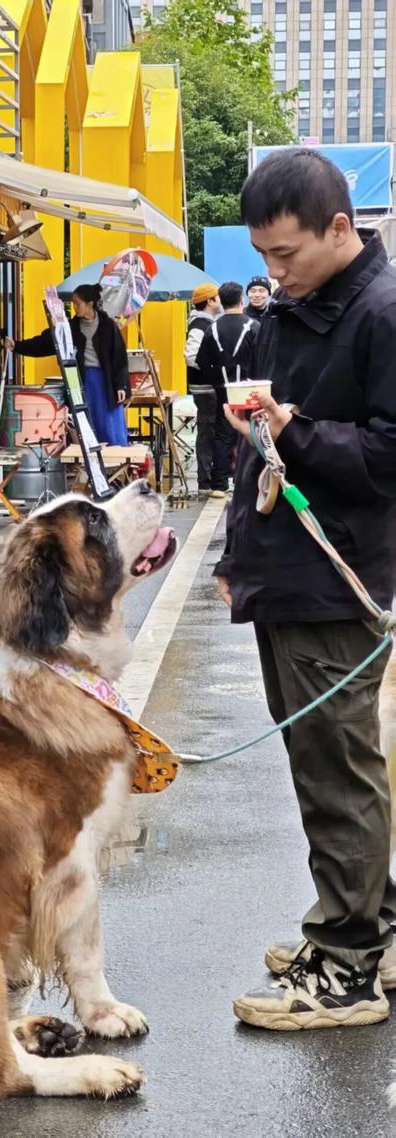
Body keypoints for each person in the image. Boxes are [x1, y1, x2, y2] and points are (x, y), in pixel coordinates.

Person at [215, 148, 396, 1030]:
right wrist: (231, 553)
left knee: (337, 768)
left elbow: (390, 458)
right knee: (324, 760)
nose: (271, 274)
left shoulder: (383, 314)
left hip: (338, 573)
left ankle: (348, 964)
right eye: (262, 258)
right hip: (285, 566)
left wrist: (298, 431)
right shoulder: (294, 308)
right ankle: (371, 929)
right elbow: (267, 440)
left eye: (284, 255)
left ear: (338, 228)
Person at [5, 284, 130, 445]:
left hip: (105, 382)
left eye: (78, 303)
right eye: (73, 303)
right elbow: (44, 343)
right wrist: (17, 345)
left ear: (90, 304)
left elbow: (119, 357)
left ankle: (116, 463)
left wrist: (122, 386)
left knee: (109, 424)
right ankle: (85, 464)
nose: (74, 307)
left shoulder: (108, 326)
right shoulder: (70, 328)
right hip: (80, 381)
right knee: (83, 423)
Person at [195, 281, 257, 496]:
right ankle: (249, 481)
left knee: (223, 434)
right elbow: (264, 357)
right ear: (242, 300)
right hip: (250, 388)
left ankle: (219, 484)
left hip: (224, 388)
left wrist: (216, 380)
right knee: (251, 432)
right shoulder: (253, 326)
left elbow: (201, 360)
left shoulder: (212, 328)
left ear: (221, 302)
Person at [185, 282, 223, 497]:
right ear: (209, 301)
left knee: (209, 430)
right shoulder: (200, 324)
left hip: (205, 386)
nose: (219, 302)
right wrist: (211, 369)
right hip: (204, 387)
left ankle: (207, 477)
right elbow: (191, 355)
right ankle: (205, 479)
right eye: (216, 298)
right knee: (208, 430)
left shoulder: (203, 322)